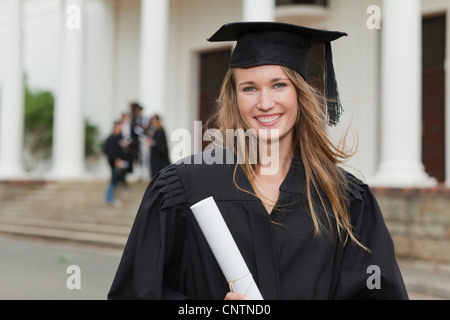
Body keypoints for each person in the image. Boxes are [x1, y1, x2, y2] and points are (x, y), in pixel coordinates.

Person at [108, 22, 408, 300]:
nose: (265, 103)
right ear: (234, 96)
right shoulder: (183, 187)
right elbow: (135, 293)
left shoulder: (345, 198)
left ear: (300, 93)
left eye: (279, 84)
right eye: (249, 88)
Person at [103, 120, 128, 205]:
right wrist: (116, 160)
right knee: (114, 179)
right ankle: (109, 198)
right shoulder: (112, 138)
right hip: (114, 162)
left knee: (116, 179)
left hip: (118, 161)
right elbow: (108, 150)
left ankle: (110, 197)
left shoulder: (119, 138)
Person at [147, 114, 171, 178]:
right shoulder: (155, 131)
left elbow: (162, 146)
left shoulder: (160, 131)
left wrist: (153, 143)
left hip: (160, 159)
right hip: (156, 157)